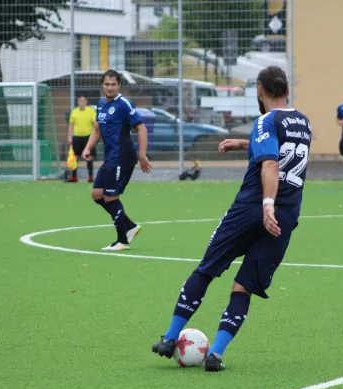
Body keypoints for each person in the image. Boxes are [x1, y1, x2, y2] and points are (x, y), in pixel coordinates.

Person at [152, 66, 313, 372]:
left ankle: (170, 338)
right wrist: (242, 143)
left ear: (259, 90)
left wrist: (267, 204)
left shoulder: (266, 119)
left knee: (207, 269)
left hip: (252, 208)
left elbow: (270, 163)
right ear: (286, 90)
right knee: (243, 286)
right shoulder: (303, 122)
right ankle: (215, 354)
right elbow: (281, 148)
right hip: (287, 216)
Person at [82, 70, 151, 250]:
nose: (110, 88)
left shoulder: (124, 104)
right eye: (107, 84)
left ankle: (122, 241)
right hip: (110, 157)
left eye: (113, 84)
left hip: (122, 156)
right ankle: (130, 226)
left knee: (110, 197)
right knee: (97, 195)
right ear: (102, 85)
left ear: (119, 85)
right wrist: (88, 148)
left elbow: (142, 128)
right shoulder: (100, 104)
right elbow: (97, 130)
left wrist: (142, 155)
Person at [67, 96, 97, 182]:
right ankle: (74, 177)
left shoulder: (91, 111)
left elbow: (95, 123)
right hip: (77, 137)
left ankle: (90, 177)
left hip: (88, 137)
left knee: (89, 156)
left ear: (86, 102)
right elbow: (71, 125)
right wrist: (69, 136)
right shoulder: (74, 111)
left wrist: (95, 135)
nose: (81, 102)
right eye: (79, 101)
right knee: (75, 157)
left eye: (82, 100)